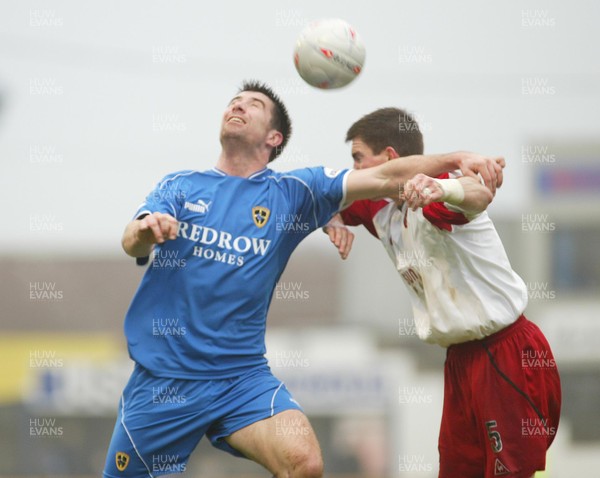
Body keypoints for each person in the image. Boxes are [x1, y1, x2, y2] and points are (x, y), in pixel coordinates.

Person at [103, 83, 503, 478]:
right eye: (234, 102)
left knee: (304, 462)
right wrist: (146, 230)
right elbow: (131, 243)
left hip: (241, 379)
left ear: (273, 137)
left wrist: (458, 157)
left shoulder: (294, 192)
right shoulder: (181, 185)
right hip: (165, 379)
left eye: (253, 104)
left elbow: (385, 177)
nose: (238, 106)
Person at [325, 107, 561, 478]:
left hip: (505, 351)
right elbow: (321, 197)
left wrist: (443, 186)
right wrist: (332, 220)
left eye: (358, 158)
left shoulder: (435, 194)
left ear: (388, 158)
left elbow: (477, 193)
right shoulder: (379, 208)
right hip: (460, 361)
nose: (353, 171)